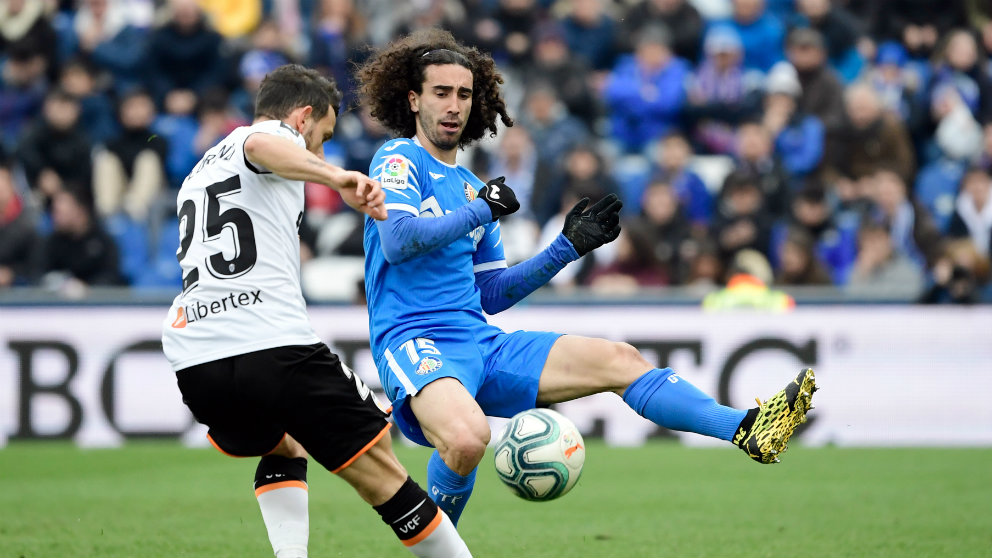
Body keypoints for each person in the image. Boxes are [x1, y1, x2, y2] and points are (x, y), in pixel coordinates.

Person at [355, 28, 817, 528]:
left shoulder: (471, 186)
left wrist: (565, 248)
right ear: (413, 99)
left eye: (463, 94)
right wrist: (479, 212)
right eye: (440, 93)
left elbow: (490, 294)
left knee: (620, 359)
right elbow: (397, 241)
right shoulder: (399, 159)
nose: (453, 105)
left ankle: (747, 430)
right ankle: (438, 547)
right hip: (415, 340)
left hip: (478, 341)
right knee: (467, 440)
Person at [160, 64, 471, 558]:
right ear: (302, 119)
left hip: (198, 360)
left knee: (284, 444)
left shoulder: (200, 171)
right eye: (322, 136)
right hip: (270, 345)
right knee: (381, 469)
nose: (321, 150)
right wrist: (336, 175)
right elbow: (262, 145)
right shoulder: (261, 139)